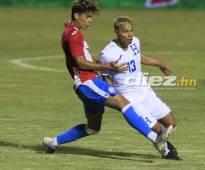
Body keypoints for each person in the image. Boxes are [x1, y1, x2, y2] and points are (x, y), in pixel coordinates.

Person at [42, 0, 170, 156]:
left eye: (91, 17)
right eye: (87, 17)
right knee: (124, 103)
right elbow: (81, 62)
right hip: (88, 82)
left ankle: (54, 142)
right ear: (76, 15)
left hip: (83, 84)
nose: (90, 20)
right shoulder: (74, 35)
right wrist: (110, 68)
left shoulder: (70, 30)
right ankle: (155, 138)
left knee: (93, 128)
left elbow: (82, 58)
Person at [99, 16, 181, 160]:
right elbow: (104, 77)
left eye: (131, 30)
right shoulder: (107, 54)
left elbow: (138, 56)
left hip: (146, 92)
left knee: (171, 123)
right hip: (131, 100)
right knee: (157, 130)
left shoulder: (135, 41)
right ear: (116, 32)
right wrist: (116, 98)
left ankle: (163, 142)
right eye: (125, 31)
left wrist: (159, 64)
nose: (130, 34)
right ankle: (167, 152)